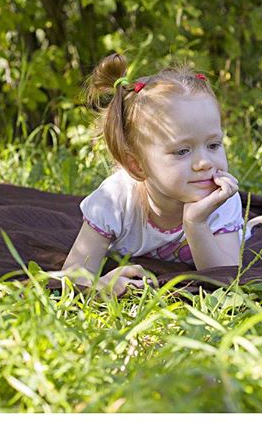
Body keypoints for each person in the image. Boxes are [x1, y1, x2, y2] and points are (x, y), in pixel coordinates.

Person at [58, 53, 246, 296]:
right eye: (182, 151)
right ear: (137, 166)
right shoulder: (115, 199)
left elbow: (227, 279)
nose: (204, 163)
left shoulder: (221, 199)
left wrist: (196, 223)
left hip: (229, 234)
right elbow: (72, 276)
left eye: (213, 145)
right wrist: (101, 286)